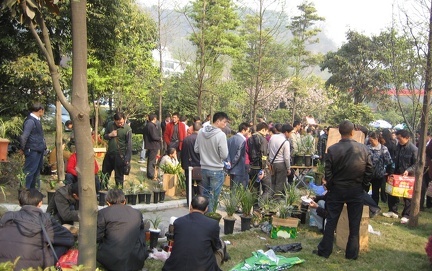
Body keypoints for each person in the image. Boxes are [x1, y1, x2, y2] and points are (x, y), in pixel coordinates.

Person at [314, 120, 372, 260]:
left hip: (338, 189)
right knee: (354, 222)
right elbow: (369, 170)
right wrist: (363, 186)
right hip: (355, 189)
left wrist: (332, 186)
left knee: (331, 220)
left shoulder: (333, 149)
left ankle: (325, 251)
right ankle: (352, 254)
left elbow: (328, 173)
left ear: (340, 132)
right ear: (353, 132)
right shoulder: (363, 149)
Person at [0, 189, 74, 271]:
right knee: (62, 244)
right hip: (34, 267)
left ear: (20, 203)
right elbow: (69, 238)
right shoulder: (45, 219)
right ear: (40, 203)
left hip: (5, 266)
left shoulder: (7, 218)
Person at [162, 195, 227, 271]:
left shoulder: (178, 222)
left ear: (190, 206)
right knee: (221, 245)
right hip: (202, 267)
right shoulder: (213, 224)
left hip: (173, 268)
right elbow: (216, 246)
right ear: (206, 209)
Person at [97, 189, 148, 271]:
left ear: (108, 202)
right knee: (141, 231)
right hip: (136, 260)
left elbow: (97, 237)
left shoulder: (103, 213)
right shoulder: (137, 213)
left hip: (112, 261)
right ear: (124, 201)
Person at [194, 112, 229, 213]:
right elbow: (224, 155)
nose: (225, 124)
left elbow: (196, 149)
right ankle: (210, 218)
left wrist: (206, 152)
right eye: (224, 122)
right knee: (213, 197)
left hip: (204, 168)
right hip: (216, 169)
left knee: (205, 195)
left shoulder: (201, 131)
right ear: (218, 121)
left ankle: (203, 216)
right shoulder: (221, 135)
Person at [382, 129, 418, 224]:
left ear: (407, 138)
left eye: (400, 138)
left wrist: (408, 170)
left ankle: (406, 215)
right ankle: (393, 211)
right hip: (397, 173)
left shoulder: (413, 149)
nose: (398, 140)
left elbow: (416, 164)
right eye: (397, 138)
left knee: (407, 195)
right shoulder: (397, 147)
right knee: (393, 192)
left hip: (408, 176)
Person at [19, 102, 47, 189]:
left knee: (36, 172)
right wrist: (22, 148)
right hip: (32, 150)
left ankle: (34, 192)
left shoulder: (37, 121)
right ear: (40, 110)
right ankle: (24, 191)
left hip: (38, 149)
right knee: (29, 171)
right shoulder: (30, 121)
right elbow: (24, 136)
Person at [102, 112, 132, 188]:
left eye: (121, 122)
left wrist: (127, 159)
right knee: (105, 174)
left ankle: (119, 192)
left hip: (120, 155)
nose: (120, 124)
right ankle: (102, 189)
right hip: (109, 154)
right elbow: (104, 136)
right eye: (118, 123)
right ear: (114, 120)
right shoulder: (110, 125)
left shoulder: (127, 129)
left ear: (124, 119)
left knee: (119, 176)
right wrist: (110, 135)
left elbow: (129, 145)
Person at [247, 122, 271, 208]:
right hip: (260, 168)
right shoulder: (262, 139)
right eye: (266, 131)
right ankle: (259, 206)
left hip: (252, 167)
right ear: (263, 129)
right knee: (268, 190)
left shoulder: (250, 139)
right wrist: (264, 169)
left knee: (254, 191)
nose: (267, 133)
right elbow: (264, 155)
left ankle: (254, 210)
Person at [367, 132, 393, 205]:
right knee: (364, 191)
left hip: (378, 175)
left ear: (376, 139)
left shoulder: (383, 149)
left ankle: (374, 207)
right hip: (368, 174)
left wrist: (388, 172)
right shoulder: (367, 148)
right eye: (369, 140)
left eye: (371, 140)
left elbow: (389, 161)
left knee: (375, 192)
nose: (370, 142)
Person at [268, 124, 293, 196]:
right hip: (281, 164)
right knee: (280, 184)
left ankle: (269, 199)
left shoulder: (272, 137)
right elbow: (286, 157)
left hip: (272, 164)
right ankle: (276, 201)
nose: (291, 135)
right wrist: (288, 168)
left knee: (273, 182)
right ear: (286, 132)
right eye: (290, 133)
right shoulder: (286, 142)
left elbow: (268, 150)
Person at [181, 122, 202, 203]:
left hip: (188, 165)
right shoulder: (201, 139)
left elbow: (183, 153)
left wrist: (183, 164)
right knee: (200, 185)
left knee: (189, 185)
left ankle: (190, 202)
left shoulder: (186, 139)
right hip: (199, 165)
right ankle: (200, 203)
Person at [226, 122, 250, 189]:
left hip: (231, 169)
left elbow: (226, 152)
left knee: (232, 188)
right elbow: (238, 155)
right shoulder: (243, 141)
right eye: (248, 131)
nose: (248, 133)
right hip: (240, 168)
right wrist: (233, 164)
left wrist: (229, 163)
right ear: (243, 130)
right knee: (239, 189)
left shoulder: (230, 139)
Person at [143, 114, 161, 180]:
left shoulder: (147, 125)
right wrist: (159, 138)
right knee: (152, 160)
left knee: (150, 159)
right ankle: (151, 174)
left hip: (149, 145)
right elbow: (154, 136)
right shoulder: (151, 126)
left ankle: (149, 173)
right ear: (154, 118)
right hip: (153, 145)